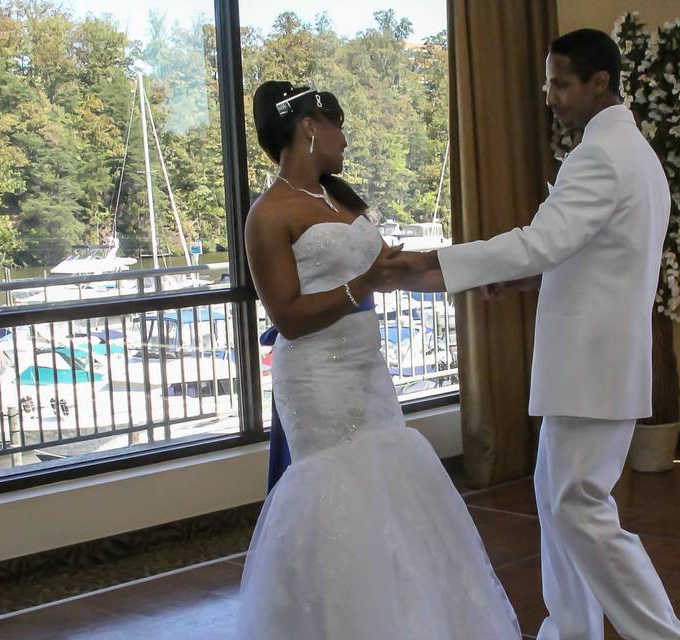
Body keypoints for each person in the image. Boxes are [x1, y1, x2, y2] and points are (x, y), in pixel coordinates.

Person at [390, 29, 680, 640]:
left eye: (560, 83)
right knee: (557, 501)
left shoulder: (600, 155)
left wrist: (438, 263)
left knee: (578, 508)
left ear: (599, 83)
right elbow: (596, 256)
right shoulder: (633, 152)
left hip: (591, 366)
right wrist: (528, 283)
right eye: (547, 82)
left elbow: (540, 242)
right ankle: (571, 631)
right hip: (594, 365)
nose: (549, 95)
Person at [236, 80, 520, 640]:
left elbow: (400, 270)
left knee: (391, 491)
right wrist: (361, 284)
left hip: (367, 373)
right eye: (338, 125)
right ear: (311, 126)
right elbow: (287, 316)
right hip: (316, 378)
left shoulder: (341, 202)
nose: (345, 139)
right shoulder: (267, 215)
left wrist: (475, 278)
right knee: (339, 498)